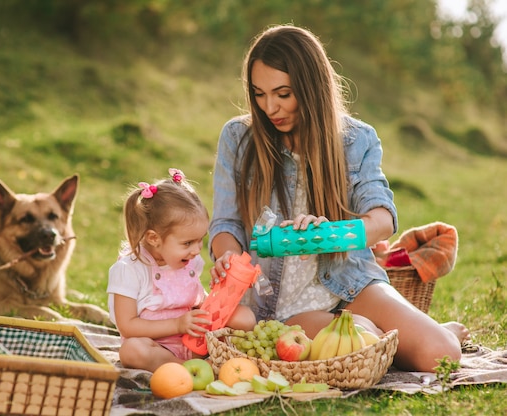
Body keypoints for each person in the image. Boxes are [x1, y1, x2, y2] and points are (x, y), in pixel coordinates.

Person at [208, 24, 469, 372]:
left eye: (283, 93)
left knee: (441, 354)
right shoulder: (238, 137)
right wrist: (226, 256)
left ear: (310, 87)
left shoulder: (356, 139)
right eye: (259, 94)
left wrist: (331, 232)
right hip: (275, 303)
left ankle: (421, 333)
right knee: (363, 344)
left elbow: (382, 219)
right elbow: (225, 222)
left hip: (348, 282)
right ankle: (381, 334)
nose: (270, 107)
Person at [108, 168, 256, 372]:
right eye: (187, 243)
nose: (196, 250)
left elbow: (194, 302)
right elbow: (128, 326)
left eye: (200, 240)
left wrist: (215, 297)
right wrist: (177, 325)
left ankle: (216, 358)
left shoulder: (187, 261)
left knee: (244, 317)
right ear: (154, 238)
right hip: (158, 347)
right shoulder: (129, 270)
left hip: (195, 341)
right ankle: (190, 370)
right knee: (132, 350)